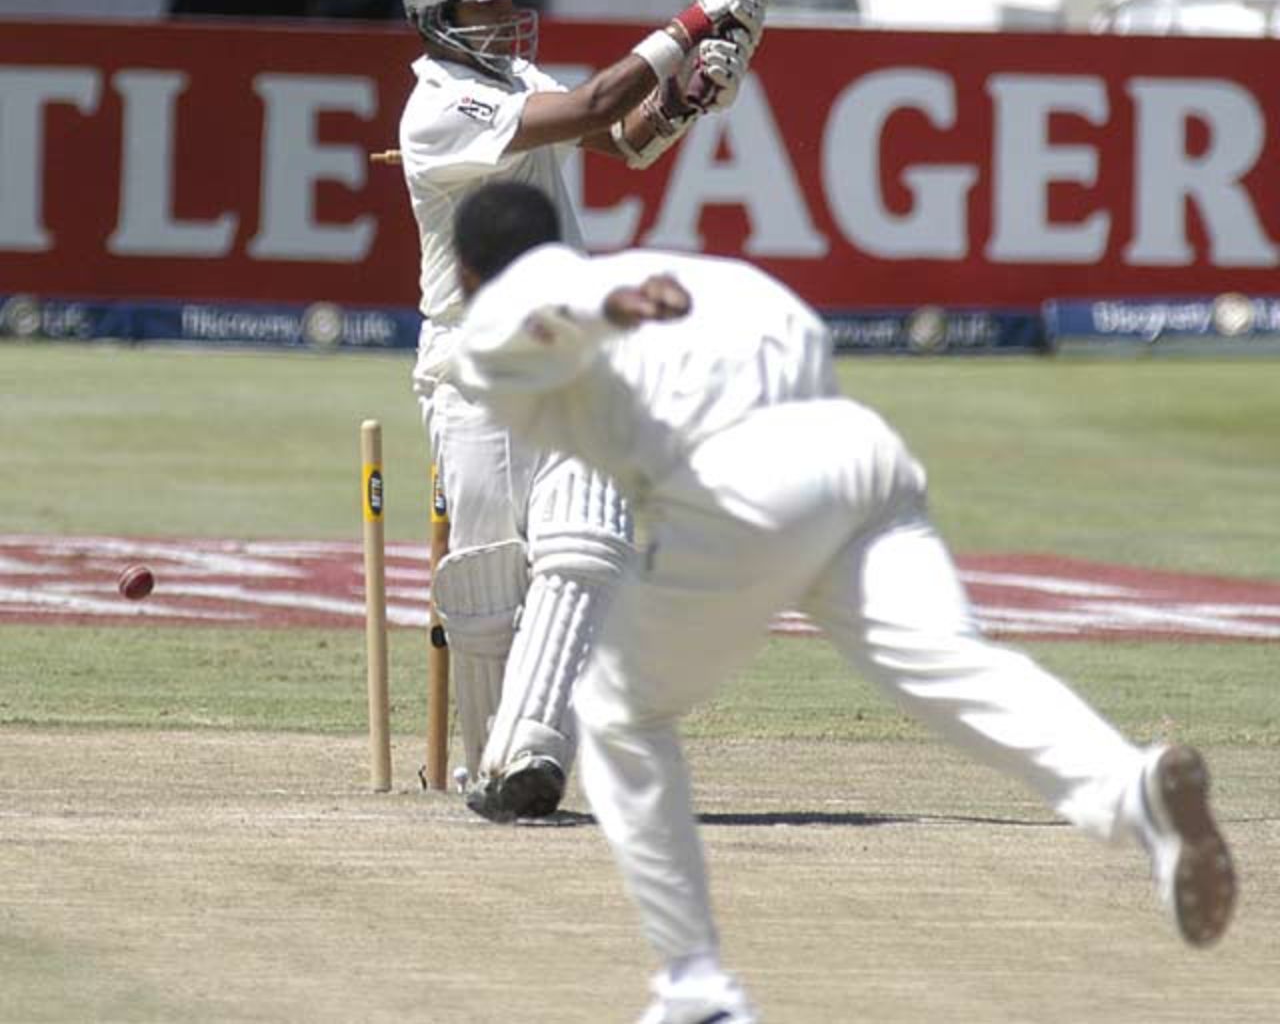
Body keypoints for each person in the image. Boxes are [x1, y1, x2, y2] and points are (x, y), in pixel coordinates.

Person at [446, 179, 1238, 1024]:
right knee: (956, 666)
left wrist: (613, 304)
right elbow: (710, 315)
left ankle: (696, 986)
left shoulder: (501, 315)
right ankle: (1133, 792)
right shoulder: (695, 271)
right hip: (860, 451)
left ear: (463, 272)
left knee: (613, 714)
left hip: (740, 479)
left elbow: (537, 297)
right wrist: (617, 297)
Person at [395, 0, 770, 822]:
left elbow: (623, 136)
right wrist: (694, 18)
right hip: (475, 364)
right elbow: (597, 98)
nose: (507, 21)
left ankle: (530, 753)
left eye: (506, 3)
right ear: (440, 22)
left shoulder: (515, 85)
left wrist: (690, 98)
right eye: (485, 9)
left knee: (581, 548)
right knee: (489, 579)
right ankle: (494, 761)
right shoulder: (436, 110)